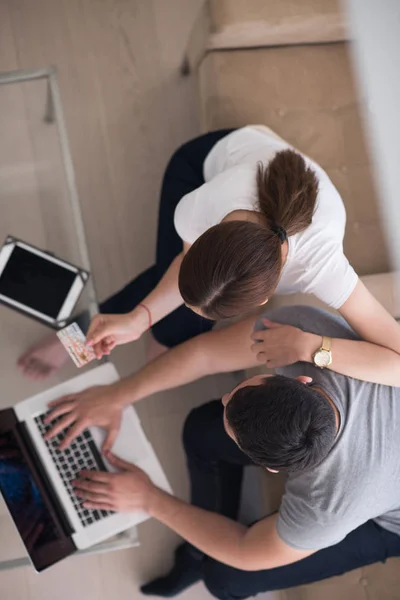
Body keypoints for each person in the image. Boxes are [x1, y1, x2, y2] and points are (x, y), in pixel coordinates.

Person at [45, 305, 400, 598]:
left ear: (271, 468)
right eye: (236, 394)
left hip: (391, 519)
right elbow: (206, 354)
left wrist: (149, 500)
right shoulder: (304, 335)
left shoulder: (327, 509)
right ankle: (198, 543)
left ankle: (197, 555)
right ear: (299, 379)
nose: (226, 397)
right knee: (201, 430)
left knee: (224, 577)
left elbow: (246, 550)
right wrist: (117, 395)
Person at [18, 126, 400, 385]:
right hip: (200, 163)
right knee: (171, 324)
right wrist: (139, 320)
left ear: (265, 297)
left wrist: (314, 348)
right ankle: (78, 338)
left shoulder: (323, 265)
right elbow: (183, 265)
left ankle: (110, 337)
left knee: (172, 325)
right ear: (204, 237)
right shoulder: (198, 209)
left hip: (266, 173)